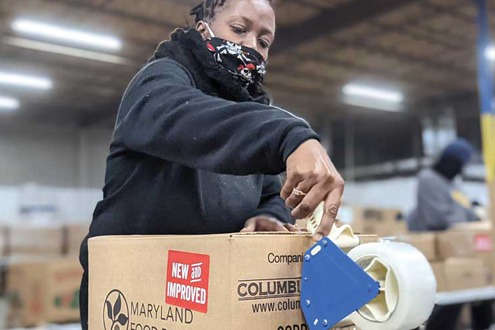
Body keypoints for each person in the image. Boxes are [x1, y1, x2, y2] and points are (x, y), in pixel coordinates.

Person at [78, 0, 344, 328]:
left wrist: (268, 215)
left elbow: (269, 192)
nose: (251, 46)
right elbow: (188, 118)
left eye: (264, 42)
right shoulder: (159, 82)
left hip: (204, 297)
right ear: (203, 28)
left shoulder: (247, 111)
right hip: (135, 296)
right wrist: (288, 134)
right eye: (239, 29)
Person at [408, 138, 493, 330]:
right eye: (459, 163)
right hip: (437, 250)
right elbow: (437, 217)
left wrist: (475, 212)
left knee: (479, 294)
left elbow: (461, 207)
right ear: (449, 160)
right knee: (448, 301)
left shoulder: (452, 183)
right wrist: (466, 225)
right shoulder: (427, 178)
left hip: (457, 248)